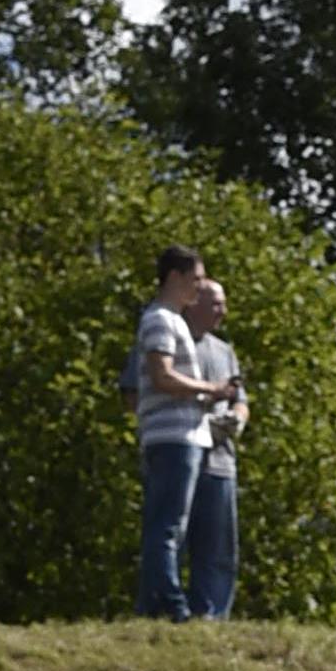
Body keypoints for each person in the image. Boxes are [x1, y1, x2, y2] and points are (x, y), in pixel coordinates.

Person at [131, 244, 224, 621]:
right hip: (173, 437)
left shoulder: (172, 320)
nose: (199, 288)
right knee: (167, 526)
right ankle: (173, 605)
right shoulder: (160, 320)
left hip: (183, 435)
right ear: (175, 277)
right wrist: (210, 390)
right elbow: (162, 375)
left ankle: (152, 605)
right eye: (195, 279)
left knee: (169, 524)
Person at [182, 270, 248, 623]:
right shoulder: (174, 344)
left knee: (220, 548)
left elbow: (242, 399)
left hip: (221, 461)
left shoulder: (225, 351)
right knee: (178, 539)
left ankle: (213, 616)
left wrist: (236, 419)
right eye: (216, 304)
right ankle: (176, 612)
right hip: (183, 453)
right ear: (195, 304)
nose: (222, 311)